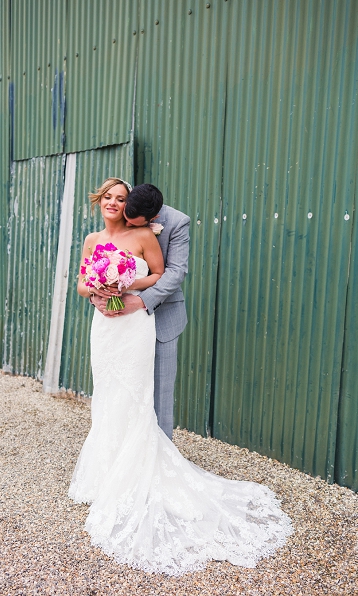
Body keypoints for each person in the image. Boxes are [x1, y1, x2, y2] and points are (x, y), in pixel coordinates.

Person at [68, 178, 292, 575]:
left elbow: (171, 273)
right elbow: (83, 282)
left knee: (153, 395)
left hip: (151, 317)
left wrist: (129, 289)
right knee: (109, 392)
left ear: (138, 209)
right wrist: (101, 290)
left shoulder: (166, 226)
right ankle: (108, 470)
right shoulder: (92, 238)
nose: (115, 204)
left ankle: (157, 470)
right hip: (107, 325)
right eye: (109, 198)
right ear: (101, 201)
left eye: (120, 199)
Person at [90, 183, 188, 439]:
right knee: (122, 388)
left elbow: (175, 272)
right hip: (120, 322)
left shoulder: (177, 223)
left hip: (162, 316)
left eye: (135, 224)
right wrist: (97, 294)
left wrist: (140, 299)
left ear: (152, 219)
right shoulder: (125, 210)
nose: (129, 228)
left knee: (159, 393)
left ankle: (158, 460)